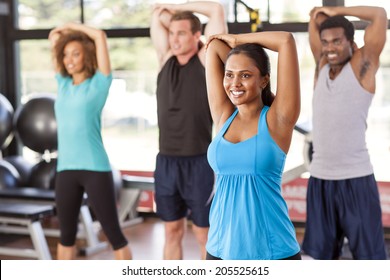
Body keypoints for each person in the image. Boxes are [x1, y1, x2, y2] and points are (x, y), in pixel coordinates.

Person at [204, 31, 301, 260]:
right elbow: (214, 46)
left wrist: (238, 41)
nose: (235, 84)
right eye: (229, 75)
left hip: (271, 251)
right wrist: (240, 56)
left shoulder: (278, 120)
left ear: (264, 80)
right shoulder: (224, 116)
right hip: (219, 247)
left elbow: (285, 40)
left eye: (245, 76)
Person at [302, 6, 388, 260]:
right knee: (322, 259)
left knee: (370, 260)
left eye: (337, 41)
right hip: (319, 180)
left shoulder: (363, 65)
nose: (330, 47)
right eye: (326, 41)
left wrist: (337, 10)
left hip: (356, 180)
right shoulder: (321, 65)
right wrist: (321, 14)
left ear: (351, 42)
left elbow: (380, 15)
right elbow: (316, 16)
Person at [150, 1, 227, 259]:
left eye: (181, 33)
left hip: (200, 163)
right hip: (166, 163)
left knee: (203, 234)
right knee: (171, 230)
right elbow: (156, 15)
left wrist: (174, 6)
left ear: (198, 35)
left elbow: (216, 10)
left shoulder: (207, 60)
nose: (174, 39)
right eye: (171, 33)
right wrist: (171, 17)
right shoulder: (165, 59)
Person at [49, 22, 132, 260]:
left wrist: (71, 26)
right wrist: (62, 36)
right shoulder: (63, 85)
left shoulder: (99, 83)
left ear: (88, 56)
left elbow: (100, 35)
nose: (69, 60)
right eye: (66, 55)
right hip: (65, 169)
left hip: (95, 168)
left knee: (114, 235)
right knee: (66, 236)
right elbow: (53, 37)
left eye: (76, 54)